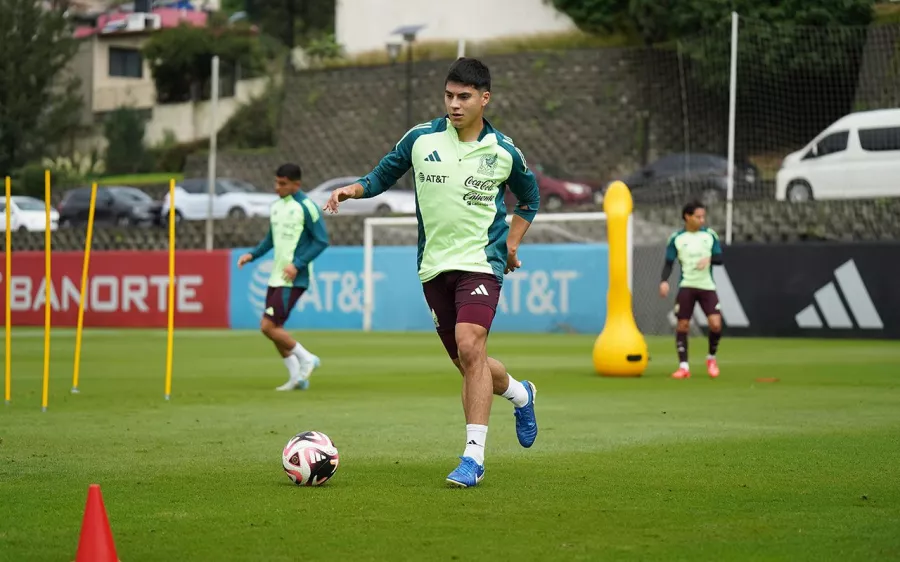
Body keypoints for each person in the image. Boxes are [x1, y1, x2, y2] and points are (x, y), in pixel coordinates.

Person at [323, 57, 540, 488]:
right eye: (449, 96)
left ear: (484, 98)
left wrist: (511, 245)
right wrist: (353, 189)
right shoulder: (421, 138)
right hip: (432, 265)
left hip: (481, 263)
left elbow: (529, 200)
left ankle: (473, 457)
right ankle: (521, 393)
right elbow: (384, 173)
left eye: (464, 97)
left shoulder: (503, 152)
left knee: (470, 344)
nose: (455, 104)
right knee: (467, 361)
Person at [238, 163, 329, 391]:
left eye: (282, 183)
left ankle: (307, 359)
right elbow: (270, 239)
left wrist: (297, 264)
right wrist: (253, 254)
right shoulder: (277, 207)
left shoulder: (308, 207)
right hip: (275, 277)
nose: (276, 187)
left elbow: (321, 241)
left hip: (293, 278)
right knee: (275, 328)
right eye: (276, 182)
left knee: (267, 326)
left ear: (296, 184)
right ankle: (297, 378)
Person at [659, 201, 724, 379]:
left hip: (707, 286)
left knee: (716, 324)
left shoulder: (709, 235)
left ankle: (711, 358)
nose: (702, 220)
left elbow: (720, 258)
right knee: (683, 325)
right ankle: (684, 367)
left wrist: (709, 259)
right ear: (687, 217)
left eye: (703, 216)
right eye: (698, 216)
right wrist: (664, 281)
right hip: (686, 285)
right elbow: (668, 263)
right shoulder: (677, 238)